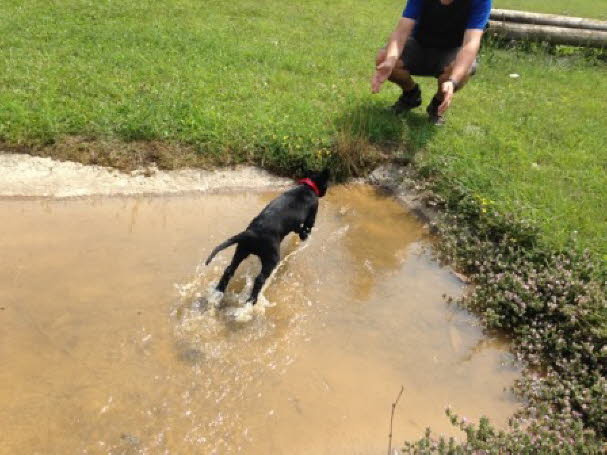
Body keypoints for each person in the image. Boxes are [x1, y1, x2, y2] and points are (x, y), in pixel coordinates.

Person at [371, 0, 492, 125]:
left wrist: (453, 81)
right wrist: (390, 60)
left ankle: (437, 105)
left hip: (452, 49)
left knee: (464, 69)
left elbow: (471, 43)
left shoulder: (481, 1)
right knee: (383, 58)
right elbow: (401, 32)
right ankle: (411, 95)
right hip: (419, 44)